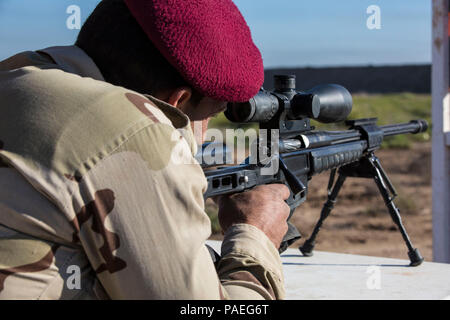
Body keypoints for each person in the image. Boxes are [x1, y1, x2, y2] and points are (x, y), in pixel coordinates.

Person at [0, 0, 290, 299]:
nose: (203, 136)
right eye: (210, 115)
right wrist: (254, 236)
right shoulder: (134, 130)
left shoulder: (15, 74)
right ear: (177, 102)